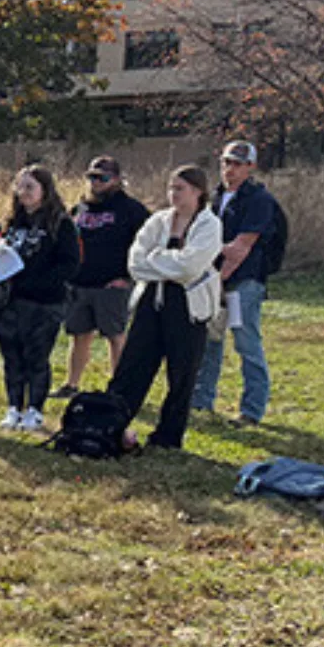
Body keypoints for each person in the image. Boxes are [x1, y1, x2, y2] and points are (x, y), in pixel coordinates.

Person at [108, 166, 223, 450]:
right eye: (171, 188)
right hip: (151, 301)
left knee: (182, 372)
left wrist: (155, 260)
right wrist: (167, 262)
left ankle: (168, 437)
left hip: (188, 306)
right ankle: (111, 424)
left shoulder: (209, 225)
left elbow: (191, 267)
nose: (173, 194)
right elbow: (135, 263)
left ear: (197, 191)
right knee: (133, 366)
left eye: (180, 188)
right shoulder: (158, 221)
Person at [0, 165, 81, 432]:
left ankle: (35, 410)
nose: (23, 192)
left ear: (44, 191)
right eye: (20, 186)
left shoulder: (59, 223)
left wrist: (39, 281)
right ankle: (14, 406)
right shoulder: (9, 222)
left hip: (44, 302)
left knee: (36, 356)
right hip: (8, 300)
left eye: (30, 187)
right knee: (12, 356)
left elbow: (70, 264)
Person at [192, 140, 281, 424]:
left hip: (243, 281)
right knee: (210, 342)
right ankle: (201, 400)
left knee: (246, 343)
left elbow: (240, 248)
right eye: (227, 162)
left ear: (251, 167)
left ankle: (252, 409)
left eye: (238, 164)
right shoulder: (214, 198)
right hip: (214, 281)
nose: (231, 169)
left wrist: (213, 261)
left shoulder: (259, 200)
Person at [55, 156, 151, 399]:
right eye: (92, 177)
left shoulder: (131, 210)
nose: (96, 182)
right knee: (79, 335)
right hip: (80, 283)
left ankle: (119, 387)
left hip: (112, 284)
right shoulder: (80, 208)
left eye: (103, 177)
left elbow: (148, 244)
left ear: (117, 180)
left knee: (115, 336)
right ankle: (71, 384)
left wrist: (129, 277)